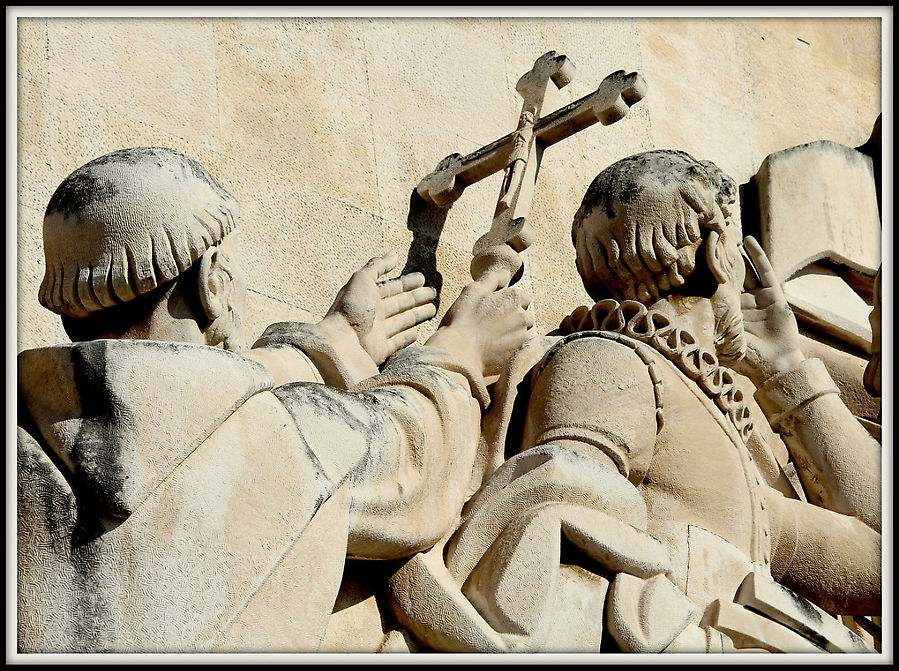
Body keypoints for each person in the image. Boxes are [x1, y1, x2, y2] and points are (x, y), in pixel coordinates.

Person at [17, 147, 534, 652]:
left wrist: (333, 344)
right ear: (212, 283)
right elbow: (412, 462)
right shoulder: (289, 442)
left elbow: (170, 393)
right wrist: (458, 353)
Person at [388, 150, 881, 653]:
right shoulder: (611, 361)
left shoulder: (706, 411)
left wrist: (788, 372)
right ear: (717, 251)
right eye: (735, 247)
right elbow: (548, 529)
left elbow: (880, 559)